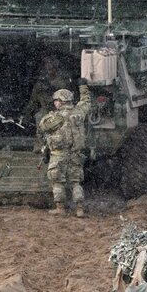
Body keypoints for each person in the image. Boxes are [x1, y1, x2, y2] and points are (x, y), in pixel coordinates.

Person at [38, 80, 92, 217]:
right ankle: (79, 209)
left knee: (57, 182)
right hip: (76, 154)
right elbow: (86, 101)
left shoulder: (56, 117)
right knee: (75, 182)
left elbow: (43, 127)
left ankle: (60, 208)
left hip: (59, 155)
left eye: (56, 100)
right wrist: (83, 87)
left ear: (61, 102)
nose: (55, 103)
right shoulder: (79, 112)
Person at [23, 55, 72, 126]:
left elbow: (67, 96)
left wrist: (51, 90)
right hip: (46, 109)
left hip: (61, 109)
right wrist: (26, 116)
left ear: (56, 65)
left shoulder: (63, 80)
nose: (49, 65)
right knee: (39, 116)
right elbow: (33, 101)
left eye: (51, 62)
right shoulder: (41, 82)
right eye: (47, 63)